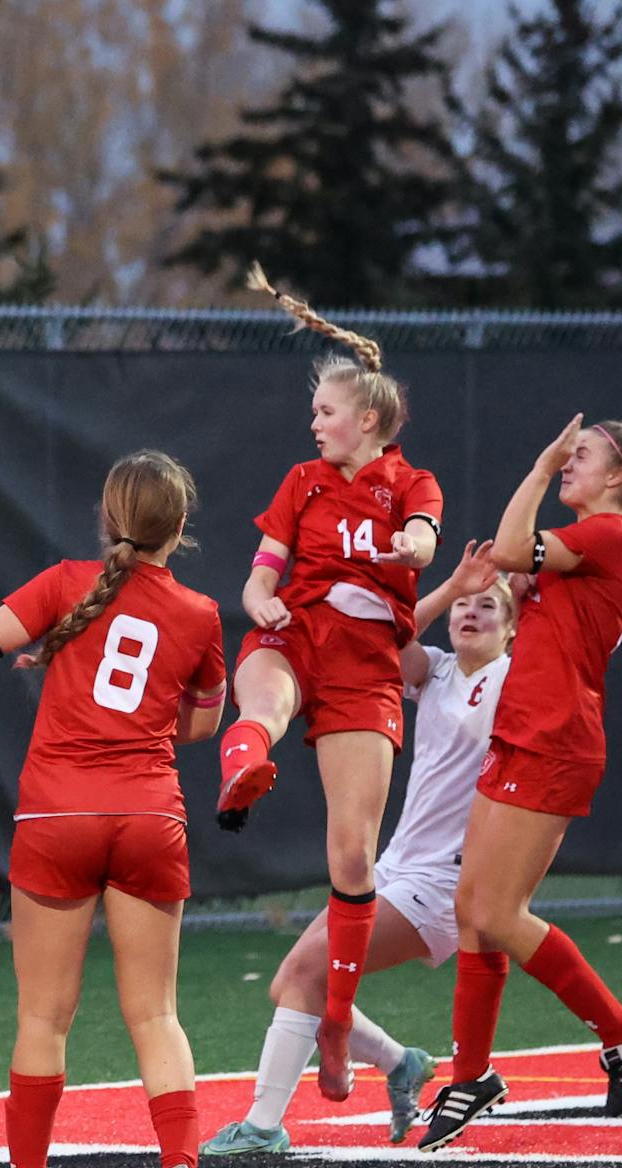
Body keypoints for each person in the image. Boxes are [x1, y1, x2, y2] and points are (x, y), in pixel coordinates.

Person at [0, 451, 224, 1168]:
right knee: (156, 1015)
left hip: (57, 817)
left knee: (43, 1017)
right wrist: (144, 722)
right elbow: (204, 723)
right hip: (151, 816)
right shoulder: (202, 614)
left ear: (109, 518)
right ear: (178, 529)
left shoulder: (63, 584)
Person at [213, 265, 441, 1099]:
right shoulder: (302, 483)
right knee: (262, 702)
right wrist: (259, 598)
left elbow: (422, 540)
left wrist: (408, 551)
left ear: (369, 419)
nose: (314, 425)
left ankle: (338, 1022)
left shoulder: (409, 483)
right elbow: (260, 573)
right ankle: (245, 764)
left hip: (367, 669)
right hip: (299, 634)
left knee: (352, 852)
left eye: (326, 412)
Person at [207, 541, 513, 1155]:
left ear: (513, 626)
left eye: (489, 607)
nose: (471, 614)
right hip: (400, 868)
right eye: (465, 608)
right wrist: (450, 589)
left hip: (444, 884)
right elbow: (384, 645)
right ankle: (400, 1062)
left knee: (300, 976)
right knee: (294, 983)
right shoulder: (440, 672)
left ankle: (263, 1128)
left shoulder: (514, 677)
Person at [420, 417, 622, 1150]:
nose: (568, 463)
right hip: (524, 731)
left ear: (618, 477)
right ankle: (470, 1076)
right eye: (566, 454)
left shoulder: (612, 535)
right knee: (472, 908)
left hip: (556, 741)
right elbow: (515, 568)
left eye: (581, 456)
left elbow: (507, 547)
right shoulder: (586, 547)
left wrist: (535, 468)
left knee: (498, 911)